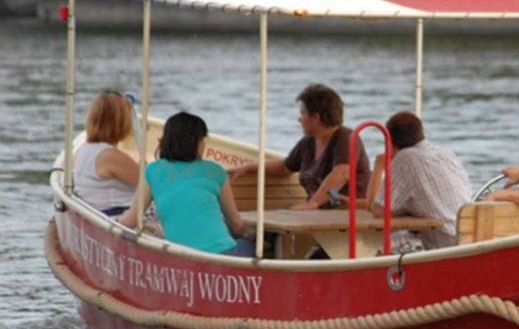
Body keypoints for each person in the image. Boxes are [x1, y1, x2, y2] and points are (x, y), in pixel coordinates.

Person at [120, 112, 253, 257]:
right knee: (248, 243)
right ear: (198, 141)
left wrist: (114, 219)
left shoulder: (152, 171)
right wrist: (248, 233)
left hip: (181, 256)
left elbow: (130, 221)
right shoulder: (215, 171)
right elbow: (236, 224)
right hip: (223, 253)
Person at [229, 83, 370, 210]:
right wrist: (248, 167)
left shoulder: (346, 138)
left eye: (302, 114)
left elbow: (342, 173)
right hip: (321, 213)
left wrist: (313, 203)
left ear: (315, 117)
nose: (299, 119)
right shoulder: (308, 142)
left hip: (348, 214)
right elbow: (285, 166)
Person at [366, 111, 472, 251]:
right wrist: (411, 209)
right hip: (468, 234)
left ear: (390, 140)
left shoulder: (406, 158)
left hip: (445, 243)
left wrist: (379, 165)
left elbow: (377, 210)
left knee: (377, 243)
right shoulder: (445, 152)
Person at [73, 91, 139, 216]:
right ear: (121, 122)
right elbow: (152, 184)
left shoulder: (82, 150)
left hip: (97, 213)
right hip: (117, 218)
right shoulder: (110, 156)